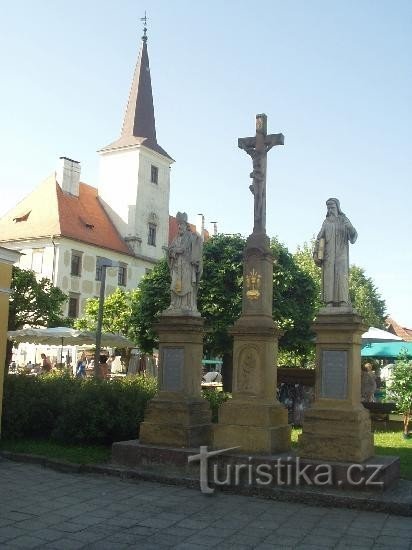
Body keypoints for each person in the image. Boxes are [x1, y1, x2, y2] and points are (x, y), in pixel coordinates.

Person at [313, 198, 358, 307]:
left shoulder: (344, 220)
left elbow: (354, 236)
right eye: (328, 208)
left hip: (341, 254)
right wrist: (316, 253)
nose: (330, 210)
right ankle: (329, 302)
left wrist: (350, 228)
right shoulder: (326, 222)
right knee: (329, 277)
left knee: (341, 276)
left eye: (332, 207)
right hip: (329, 255)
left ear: (337, 208)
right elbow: (319, 238)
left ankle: (343, 301)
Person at [167, 211, 203, 312]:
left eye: (181, 224)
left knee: (187, 286)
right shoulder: (175, 239)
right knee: (174, 285)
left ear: (185, 225)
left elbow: (198, 244)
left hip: (187, 266)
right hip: (177, 267)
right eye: (178, 224)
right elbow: (169, 251)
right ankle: (174, 305)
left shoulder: (191, 237)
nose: (179, 227)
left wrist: (194, 258)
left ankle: (187, 305)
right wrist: (173, 252)